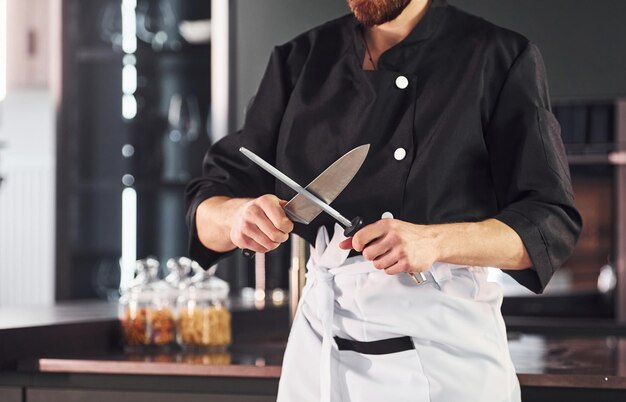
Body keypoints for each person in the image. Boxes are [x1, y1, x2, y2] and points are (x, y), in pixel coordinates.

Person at [185, 0, 582, 400]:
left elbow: (549, 225)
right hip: (320, 351)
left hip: (446, 356)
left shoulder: (497, 57)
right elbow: (208, 205)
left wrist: (434, 242)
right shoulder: (300, 61)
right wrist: (237, 217)